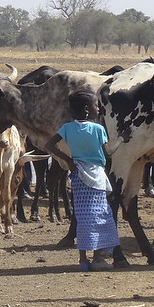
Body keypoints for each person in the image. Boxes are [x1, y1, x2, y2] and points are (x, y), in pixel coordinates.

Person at [45, 90, 125, 272]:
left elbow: (49, 145)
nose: (99, 108)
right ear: (87, 109)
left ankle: (83, 259)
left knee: (82, 216)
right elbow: (108, 152)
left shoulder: (67, 128)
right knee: (99, 215)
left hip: (78, 175)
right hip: (95, 175)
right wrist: (122, 138)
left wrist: (68, 160)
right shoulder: (98, 129)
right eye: (97, 105)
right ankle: (97, 258)